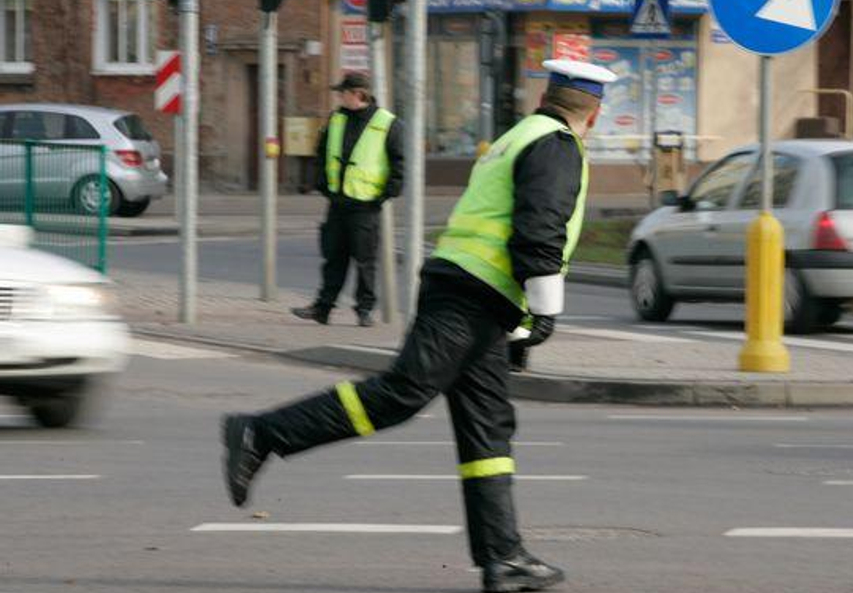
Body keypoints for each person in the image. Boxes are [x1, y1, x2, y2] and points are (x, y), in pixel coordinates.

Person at [222, 59, 616, 593]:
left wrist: (519, 319)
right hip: (472, 297)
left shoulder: (519, 134)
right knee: (400, 394)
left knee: (488, 427)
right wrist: (545, 310)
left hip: (473, 294)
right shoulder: (557, 145)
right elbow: (538, 229)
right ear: (595, 111)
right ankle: (261, 433)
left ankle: (504, 557)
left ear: (548, 96)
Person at [291, 71, 404, 328]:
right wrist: (323, 186)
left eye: (343, 93)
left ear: (358, 95)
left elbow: (399, 164)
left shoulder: (387, 123)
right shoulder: (337, 119)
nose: (339, 97)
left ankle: (364, 311)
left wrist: (384, 195)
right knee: (333, 257)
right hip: (338, 203)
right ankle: (323, 308)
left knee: (365, 261)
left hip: (366, 206)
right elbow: (321, 154)